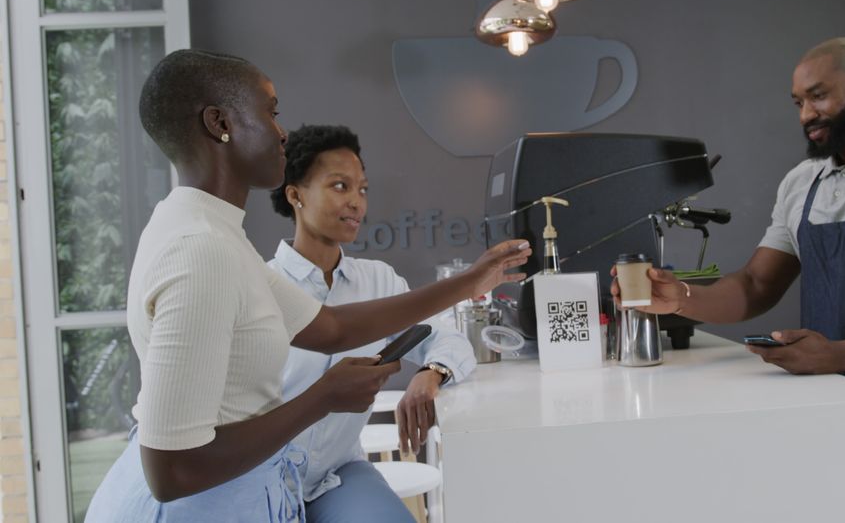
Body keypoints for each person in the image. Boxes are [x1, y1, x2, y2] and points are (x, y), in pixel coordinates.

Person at [85, 49, 530, 522]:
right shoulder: (203, 250)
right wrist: (324, 398)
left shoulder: (211, 234)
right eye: (270, 112)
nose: (281, 131)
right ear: (219, 123)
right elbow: (171, 470)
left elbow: (330, 328)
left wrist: (469, 281)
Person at [612, 37, 845, 523]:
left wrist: (839, 354)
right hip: (826, 414)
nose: (806, 115)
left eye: (819, 96)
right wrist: (680, 299)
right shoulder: (801, 184)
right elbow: (755, 285)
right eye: (798, 102)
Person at [266, 124, 476, 521]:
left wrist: (431, 373)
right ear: (295, 194)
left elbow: (446, 336)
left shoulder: (378, 280)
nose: (357, 203)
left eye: (362, 189)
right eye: (340, 187)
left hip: (338, 474)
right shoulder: (261, 285)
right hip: (262, 476)